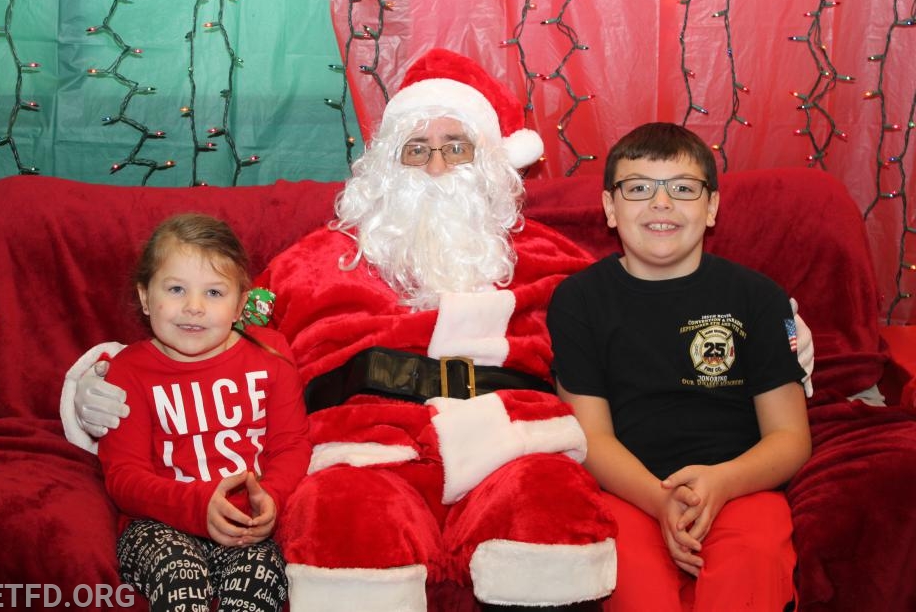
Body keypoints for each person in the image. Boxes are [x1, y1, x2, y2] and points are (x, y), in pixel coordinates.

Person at [61, 51, 811, 611]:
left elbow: (652, 309)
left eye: (457, 147)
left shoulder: (556, 262)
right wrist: (103, 376)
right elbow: (211, 322)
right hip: (365, 449)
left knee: (544, 519)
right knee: (347, 526)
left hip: (516, 447)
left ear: (489, 165)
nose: (436, 165)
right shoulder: (315, 260)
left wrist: (781, 335)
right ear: (385, 166)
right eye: (416, 148)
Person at [546, 122, 812, 611]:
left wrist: (724, 482)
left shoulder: (757, 297)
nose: (661, 204)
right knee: (632, 586)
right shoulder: (578, 301)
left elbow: (791, 437)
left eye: (683, 189)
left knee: (751, 565)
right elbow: (591, 438)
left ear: (711, 207)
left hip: (741, 486)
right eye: (639, 188)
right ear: (610, 207)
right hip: (629, 491)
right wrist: (658, 499)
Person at [96, 213, 310, 612]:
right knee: (180, 574)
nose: (193, 307)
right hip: (158, 524)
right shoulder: (128, 371)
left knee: (263, 574)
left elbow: (292, 445)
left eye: (214, 293)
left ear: (239, 304)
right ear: (145, 297)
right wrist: (197, 506)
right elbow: (123, 477)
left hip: (247, 527)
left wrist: (273, 498)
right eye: (176, 289)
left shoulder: (271, 355)